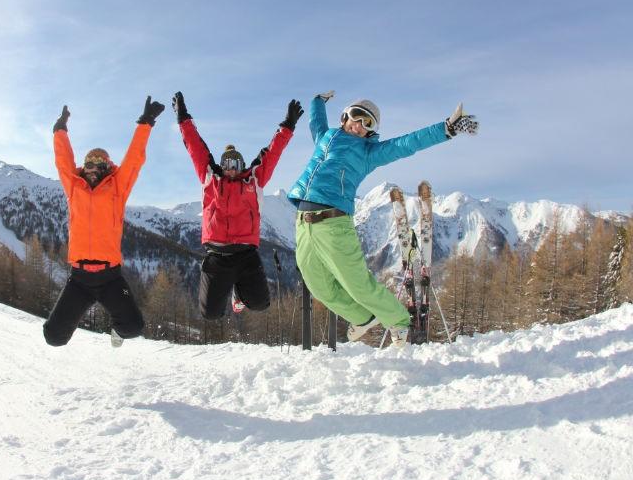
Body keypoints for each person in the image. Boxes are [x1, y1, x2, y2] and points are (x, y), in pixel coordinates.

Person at [287, 91, 478, 347]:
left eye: (368, 124)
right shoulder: (325, 136)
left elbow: (406, 144)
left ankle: (399, 322)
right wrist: (318, 100)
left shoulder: (368, 152)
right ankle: (363, 318)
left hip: (333, 223)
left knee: (357, 285)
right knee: (318, 285)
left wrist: (446, 129)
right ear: (345, 116)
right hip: (304, 222)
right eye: (357, 117)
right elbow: (316, 120)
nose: (360, 126)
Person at [43, 97, 165, 348]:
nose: (90, 167)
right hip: (79, 279)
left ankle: (117, 332)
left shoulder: (117, 188)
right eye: (88, 162)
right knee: (53, 337)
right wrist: (60, 129)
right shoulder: (74, 187)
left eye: (97, 163)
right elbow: (63, 161)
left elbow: (134, 160)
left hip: (110, 278)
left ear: (106, 167)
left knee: (133, 327)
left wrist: (145, 123)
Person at [173, 91, 303, 320]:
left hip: (246, 254)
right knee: (210, 314)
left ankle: (239, 294)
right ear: (221, 165)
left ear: (242, 164)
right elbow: (195, 147)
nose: (231, 167)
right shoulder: (210, 178)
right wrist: (183, 118)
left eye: (236, 163)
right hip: (217, 253)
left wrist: (288, 126)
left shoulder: (254, 179)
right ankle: (224, 288)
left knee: (261, 304)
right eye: (226, 163)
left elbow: (272, 153)